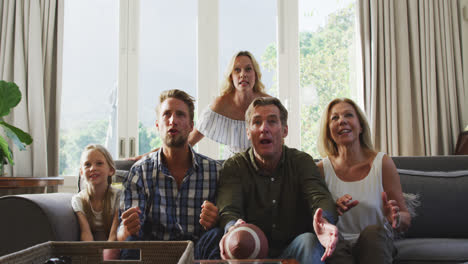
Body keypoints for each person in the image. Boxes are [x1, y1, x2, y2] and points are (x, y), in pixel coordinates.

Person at [216, 97, 340, 263]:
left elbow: (319, 198)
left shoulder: (301, 161)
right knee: (240, 243)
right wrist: (234, 228)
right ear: (247, 131)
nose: (264, 128)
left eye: (272, 122)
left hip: (294, 249)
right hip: (252, 251)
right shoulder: (235, 166)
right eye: (257, 122)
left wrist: (323, 222)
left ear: (284, 130)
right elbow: (229, 209)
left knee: (308, 242)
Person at [118, 89, 223, 260]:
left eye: (180, 115)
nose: (173, 121)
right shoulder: (140, 172)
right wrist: (127, 229)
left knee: (217, 235)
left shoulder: (214, 172)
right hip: (153, 254)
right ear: (158, 125)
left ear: (191, 126)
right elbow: (124, 234)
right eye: (166, 114)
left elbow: (229, 223)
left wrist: (217, 219)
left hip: (196, 254)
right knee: (132, 242)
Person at [316, 98, 411, 264]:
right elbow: (316, 218)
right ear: (329, 131)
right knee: (333, 242)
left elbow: (405, 217)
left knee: (373, 233)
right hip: (338, 244)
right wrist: (331, 210)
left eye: (348, 115)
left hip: (376, 243)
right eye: (334, 118)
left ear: (360, 126)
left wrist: (395, 218)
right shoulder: (321, 169)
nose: (342, 121)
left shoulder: (382, 163)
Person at [130, 51, 270, 160]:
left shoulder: (268, 103)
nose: (243, 75)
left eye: (248, 69)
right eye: (237, 70)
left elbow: (277, 145)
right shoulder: (220, 104)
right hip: (231, 170)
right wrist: (145, 157)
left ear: (255, 74)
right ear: (231, 77)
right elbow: (188, 140)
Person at [71, 144, 121, 259]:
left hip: (113, 248)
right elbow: (86, 234)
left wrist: (106, 258)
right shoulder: (78, 200)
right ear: (82, 172)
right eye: (87, 165)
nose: (92, 168)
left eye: (99, 163)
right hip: (91, 250)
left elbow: (114, 236)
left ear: (111, 170)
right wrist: (93, 257)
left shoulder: (119, 196)